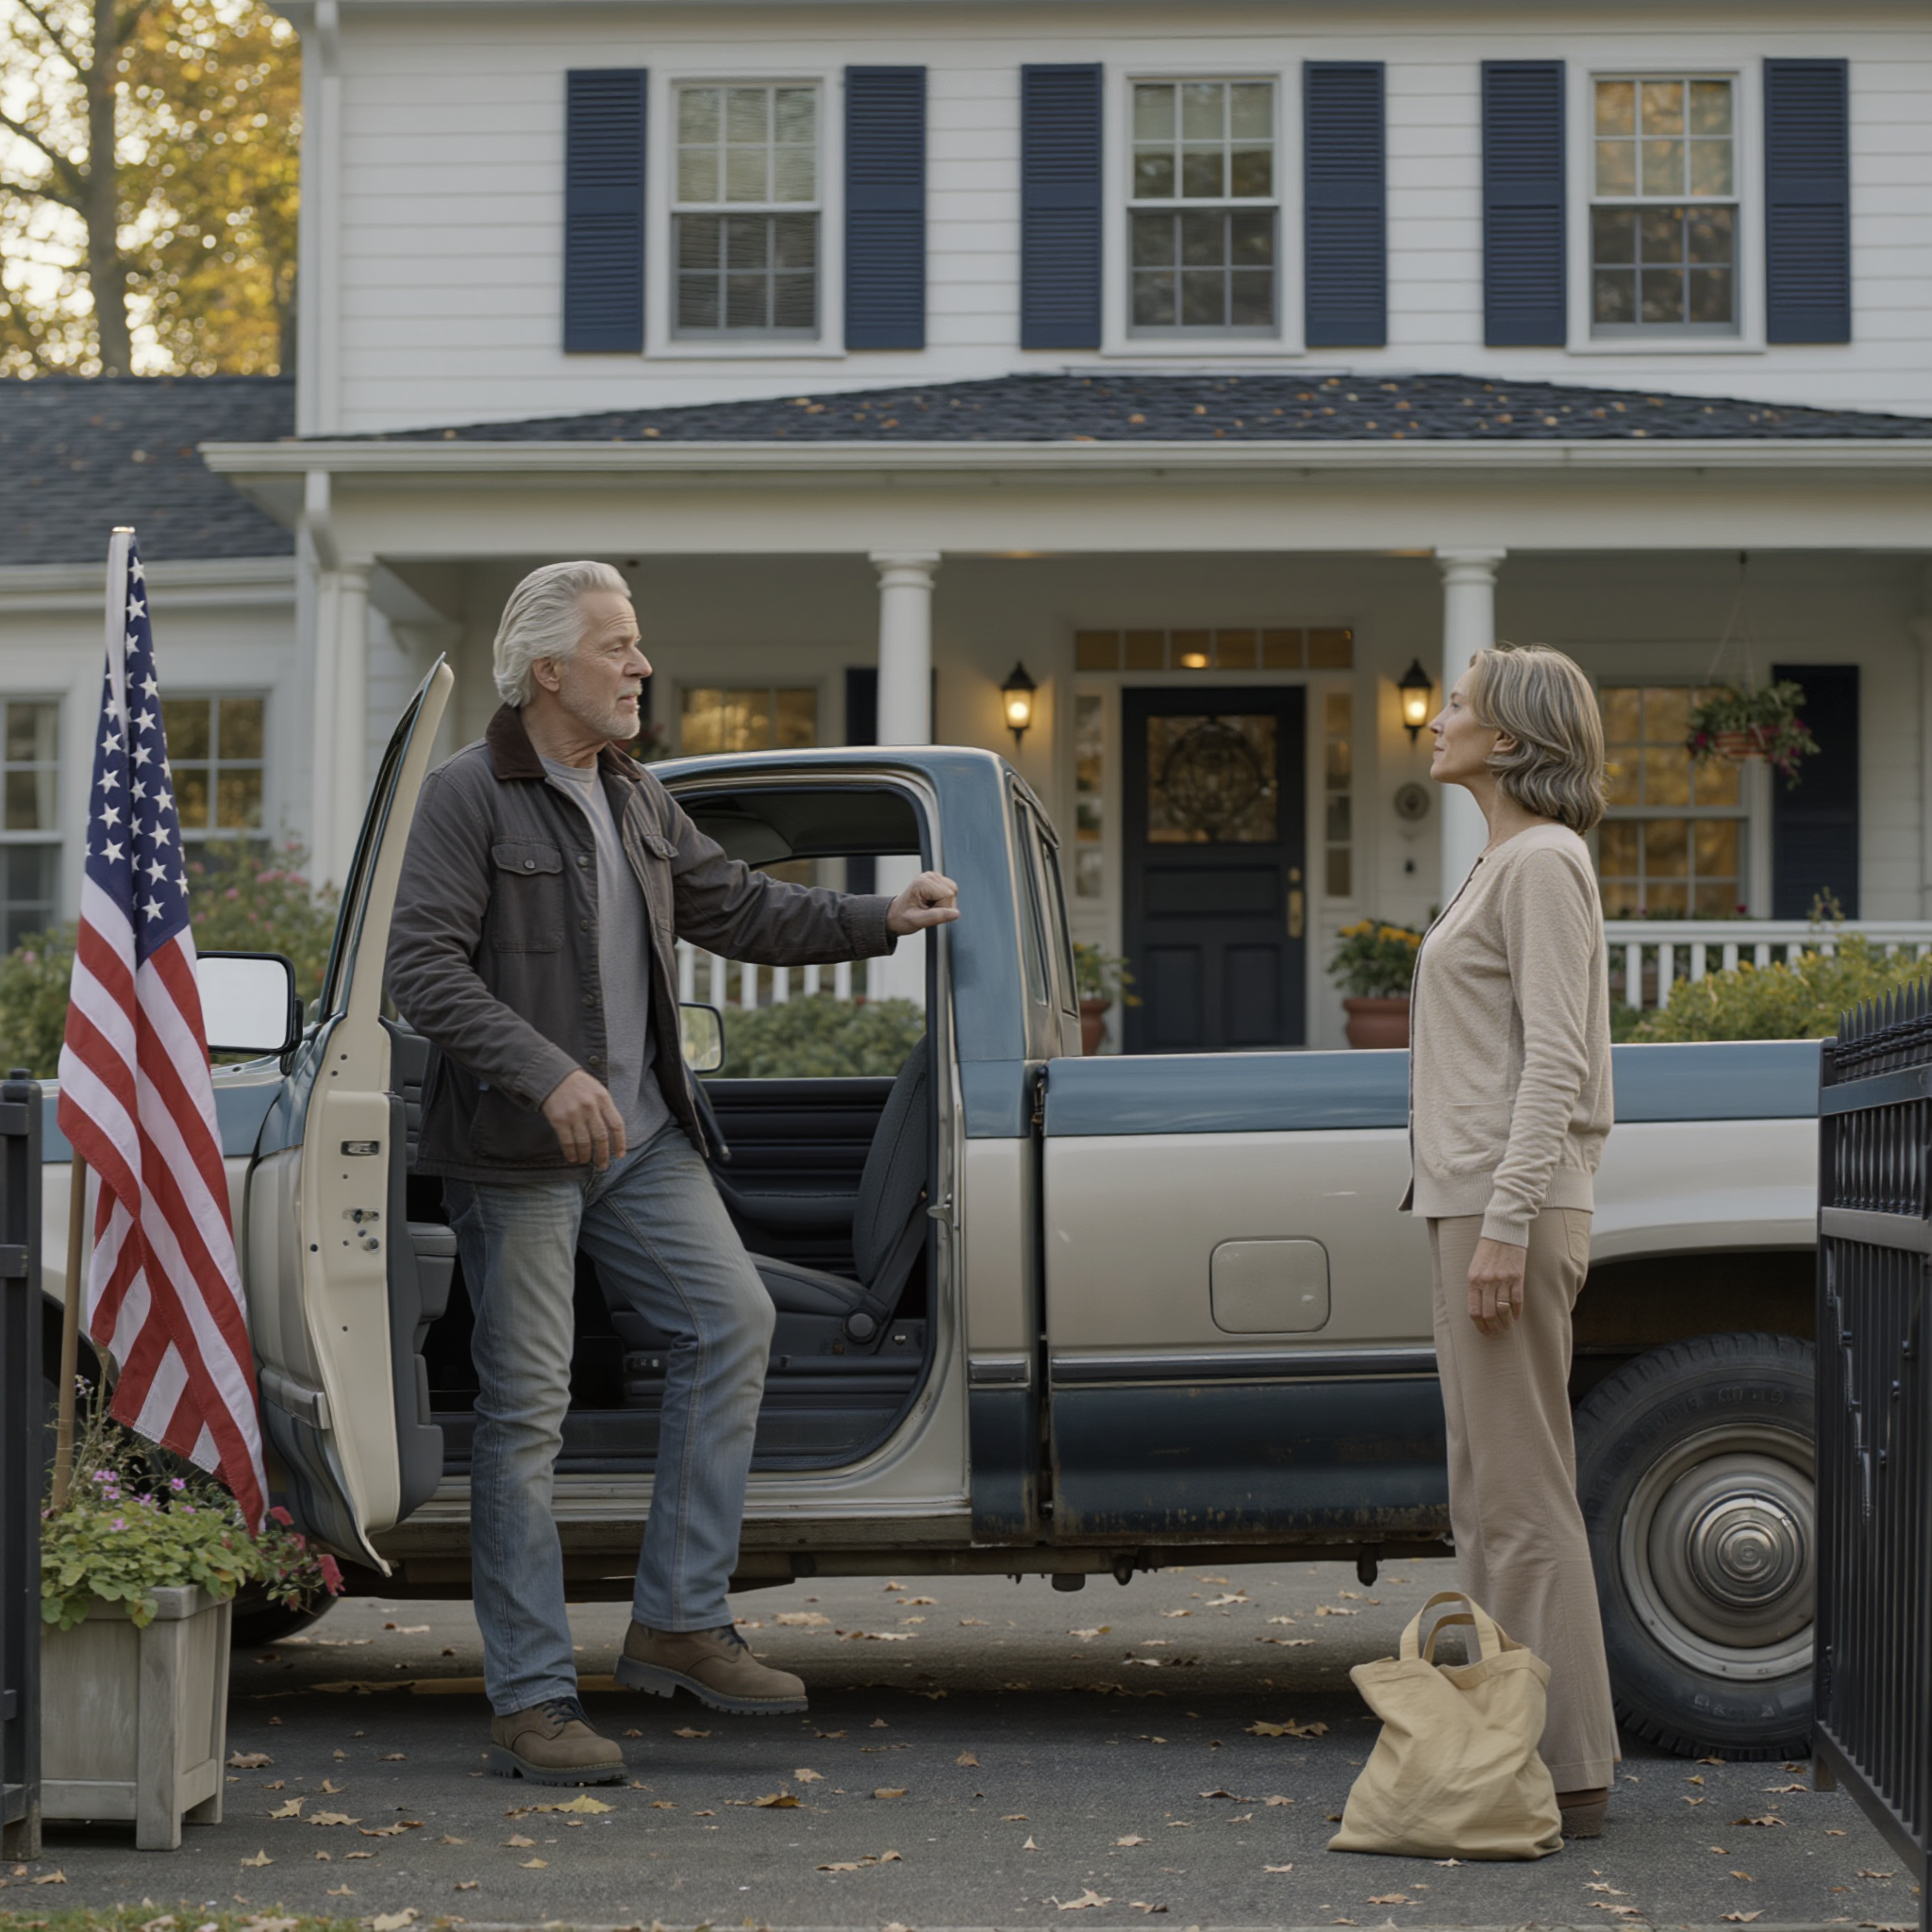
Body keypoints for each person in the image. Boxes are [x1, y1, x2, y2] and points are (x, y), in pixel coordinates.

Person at [386, 559, 960, 1786]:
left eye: (637, 647)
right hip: (519, 1154)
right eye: (618, 647)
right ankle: (533, 1699)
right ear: (551, 670)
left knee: (730, 1320)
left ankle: (679, 1620)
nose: (642, 667)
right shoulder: (469, 797)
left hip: (643, 1142)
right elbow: (423, 974)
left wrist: (882, 916)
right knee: (524, 1411)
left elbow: (744, 909)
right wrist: (547, 1072)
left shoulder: (637, 796)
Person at [1407, 642, 1620, 1838]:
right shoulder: (1501, 860)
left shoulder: (1543, 861)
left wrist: (1500, 1219)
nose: (1432, 722)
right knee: (1485, 1498)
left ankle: (1567, 1772)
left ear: (1508, 739)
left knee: (1524, 1498)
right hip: (1469, 1201)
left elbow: (1555, 1059)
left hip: (1509, 1205)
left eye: (1455, 709)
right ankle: (1505, 1754)